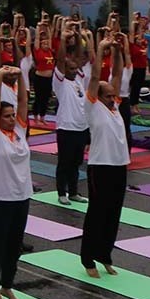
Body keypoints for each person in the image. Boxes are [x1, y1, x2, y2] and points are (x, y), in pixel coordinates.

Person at [0, 65, 32, 299]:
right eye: (7, 116)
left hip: (22, 197)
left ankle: (7, 286)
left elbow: (23, 99)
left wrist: (21, 75)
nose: (12, 119)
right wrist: (0, 76)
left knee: (14, 247)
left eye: (13, 115)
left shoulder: (20, 131)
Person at [80, 36, 130, 277]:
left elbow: (118, 75)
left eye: (113, 95)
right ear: (98, 96)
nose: (112, 98)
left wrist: (119, 51)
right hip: (100, 166)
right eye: (108, 95)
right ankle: (88, 258)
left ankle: (105, 254)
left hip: (119, 165)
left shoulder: (115, 107)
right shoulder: (93, 106)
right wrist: (100, 50)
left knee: (113, 213)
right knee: (97, 213)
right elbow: (94, 76)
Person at [52, 33, 90, 205]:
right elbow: (60, 60)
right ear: (64, 70)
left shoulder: (79, 80)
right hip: (66, 128)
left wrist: (78, 34)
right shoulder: (60, 82)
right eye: (71, 69)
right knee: (64, 163)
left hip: (81, 128)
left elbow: (79, 56)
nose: (75, 71)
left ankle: (74, 192)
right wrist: (63, 39)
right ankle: (62, 192)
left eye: (76, 69)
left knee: (77, 162)